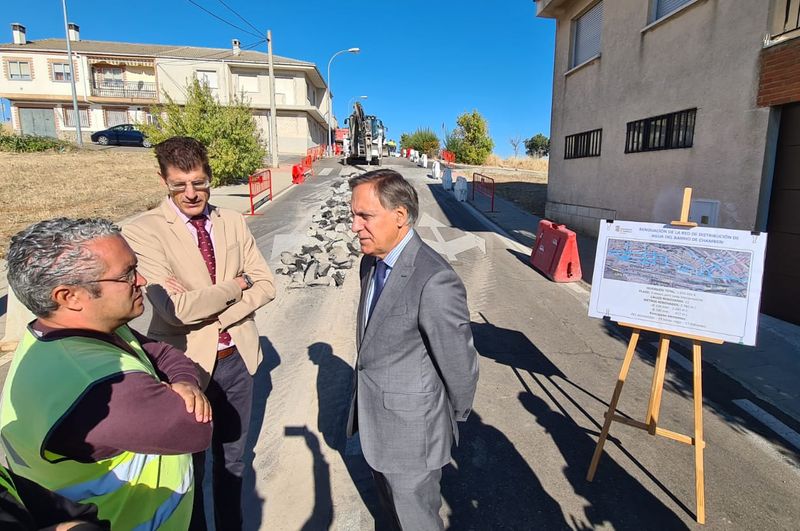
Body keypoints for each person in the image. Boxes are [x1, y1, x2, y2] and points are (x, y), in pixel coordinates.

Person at [0, 218, 213, 529]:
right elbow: (195, 428)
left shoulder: (69, 331)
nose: (141, 280)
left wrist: (182, 382)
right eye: (126, 274)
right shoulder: (95, 386)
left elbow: (164, 353)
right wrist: (177, 388)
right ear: (69, 297)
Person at [122, 136, 276, 530]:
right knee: (190, 468)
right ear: (164, 181)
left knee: (234, 461)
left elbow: (267, 285)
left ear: (209, 177)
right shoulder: (143, 231)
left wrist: (219, 311)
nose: (192, 194)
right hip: (184, 368)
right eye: (180, 185)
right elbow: (176, 312)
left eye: (200, 182)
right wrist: (237, 285)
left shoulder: (232, 221)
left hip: (238, 359)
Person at [346, 169, 479, 530]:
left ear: (400, 217)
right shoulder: (369, 263)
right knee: (391, 518)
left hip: (412, 437)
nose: (355, 226)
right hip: (375, 427)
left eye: (365, 216)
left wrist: (443, 419)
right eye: (353, 215)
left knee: (416, 522)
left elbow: (459, 366)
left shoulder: (434, 279)